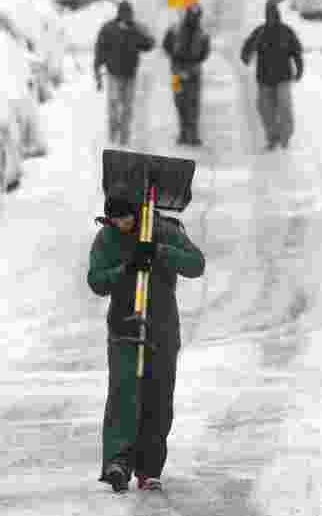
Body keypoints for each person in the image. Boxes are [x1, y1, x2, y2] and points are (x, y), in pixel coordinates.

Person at [87, 194, 206, 493]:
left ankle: (149, 467)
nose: (121, 224)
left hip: (162, 326)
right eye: (115, 220)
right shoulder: (106, 239)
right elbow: (97, 281)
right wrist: (126, 269)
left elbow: (196, 264)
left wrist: (158, 251)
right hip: (124, 325)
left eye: (126, 218)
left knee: (158, 396)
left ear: (137, 213)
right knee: (124, 394)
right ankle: (117, 464)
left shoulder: (163, 229)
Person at [240, 1, 304, 151]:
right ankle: (272, 136)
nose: (271, 18)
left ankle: (284, 136)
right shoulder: (260, 32)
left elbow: (296, 52)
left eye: (273, 15)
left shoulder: (286, 32)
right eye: (269, 16)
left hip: (282, 78)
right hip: (264, 78)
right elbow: (248, 47)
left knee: (284, 107)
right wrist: (246, 55)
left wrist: (299, 69)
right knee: (265, 109)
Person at [93, 0, 155, 146]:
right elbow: (100, 50)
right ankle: (114, 136)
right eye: (125, 14)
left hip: (129, 75)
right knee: (115, 106)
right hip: (114, 74)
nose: (128, 17)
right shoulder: (108, 29)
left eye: (129, 14)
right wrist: (97, 71)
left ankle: (123, 139)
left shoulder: (135, 29)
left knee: (127, 108)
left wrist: (142, 30)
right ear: (120, 14)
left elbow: (149, 44)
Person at [163, 4, 211, 146]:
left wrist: (194, 62)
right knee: (181, 102)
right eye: (193, 15)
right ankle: (185, 133)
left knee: (192, 103)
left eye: (196, 16)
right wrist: (175, 57)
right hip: (178, 71)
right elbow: (166, 45)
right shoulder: (175, 30)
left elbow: (205, 52)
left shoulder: (201, 33)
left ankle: (191, 134)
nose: (194, 18)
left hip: (191, 71)